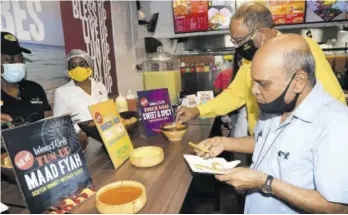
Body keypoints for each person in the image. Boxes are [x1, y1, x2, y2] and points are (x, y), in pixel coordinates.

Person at [194, 34, 348, 214]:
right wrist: (225, 143)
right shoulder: (277, 104)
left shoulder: (337, 125)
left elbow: (338, 207)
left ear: (298, 81)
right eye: (253, 81)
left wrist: (264, 182)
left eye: (263, 84)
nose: (253, 91)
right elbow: (265, 141)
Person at [176, 3, 347, 135]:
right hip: (261, 142)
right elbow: (235, 95)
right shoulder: (253, 59)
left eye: (239, 40)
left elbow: (332, 98)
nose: (237, 47)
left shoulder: (300, 49)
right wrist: (197, 110)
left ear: (262, 34)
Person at [1, 32, 52, 126]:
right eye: (10, 60)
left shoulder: (35, 88)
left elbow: (50, 121)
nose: (17, 64)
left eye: (20, 59)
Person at [53, 49, 108, 131]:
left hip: (107, 133)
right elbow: (59, 123)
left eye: (82, 64)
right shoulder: (62, 92)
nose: (78, 69)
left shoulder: (100, 86)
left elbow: (109, 112)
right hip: (82, 139)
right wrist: (77, 133)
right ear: (68, 70)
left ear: (89, 65)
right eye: (73, 66)